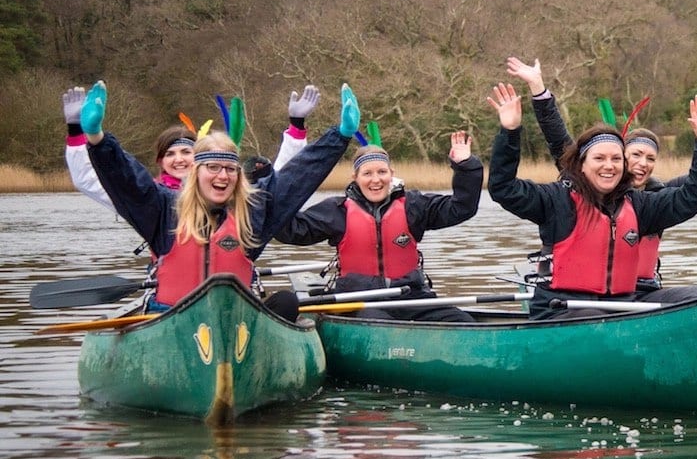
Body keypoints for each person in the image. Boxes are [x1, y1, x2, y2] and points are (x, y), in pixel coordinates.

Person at [81, 80, 360, 321]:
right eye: (213, 167)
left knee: (286, 301)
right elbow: (128, 180)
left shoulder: (253, 212)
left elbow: (297, 176)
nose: (222, 176)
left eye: (229, 169)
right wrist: (96, 138)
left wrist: (342, 135)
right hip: (171, 317)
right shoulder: (165, 208)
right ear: (195, 172)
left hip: (236, 319)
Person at [486, 82, 697, 320]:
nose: (609, 166)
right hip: (561, 308)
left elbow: (694, 194)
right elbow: (503, 188)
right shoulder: (555, 200)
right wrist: (510, 131)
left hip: (624, 304)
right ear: (581, 164)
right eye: (599, 158)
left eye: (616, 159)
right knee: (592, 315)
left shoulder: (640, 205)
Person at [274, 133, 484, 322]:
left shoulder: (414, 205)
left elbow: (462, 208)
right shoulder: (336, 211)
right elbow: (290, 230)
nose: (376, 180)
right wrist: (276, 191)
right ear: (355, 178)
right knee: (378, 322)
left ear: (391, 174)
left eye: (382, 172)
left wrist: (466, 166)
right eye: (367, 173)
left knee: (463, 320)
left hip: (411, 297)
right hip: (359, 301)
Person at [63, 83, 317, 209]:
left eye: (186, 152)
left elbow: (283, 179)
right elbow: (88, 180)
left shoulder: (228, 188)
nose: (179, 159)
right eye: (170, 154)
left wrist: (296, 126)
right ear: (160, 162)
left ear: (200, 159)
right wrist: (76, 131)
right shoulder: (147, 197)